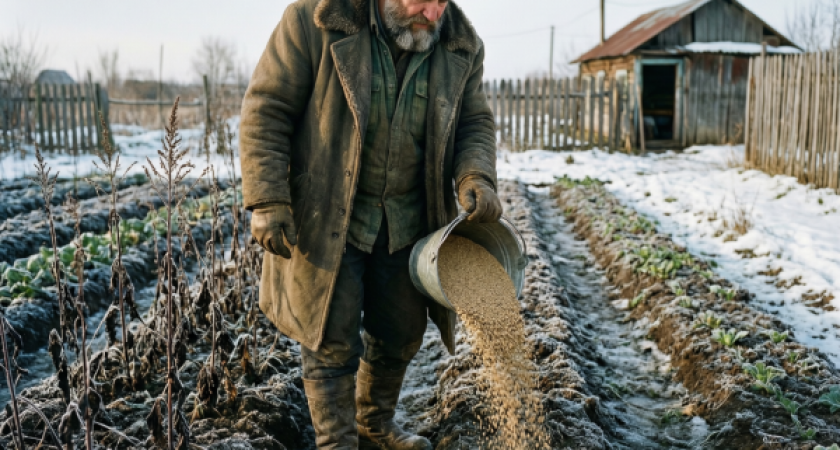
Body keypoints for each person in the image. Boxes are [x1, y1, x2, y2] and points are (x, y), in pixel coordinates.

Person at [240, 0, 500, 448]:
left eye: (442, 2)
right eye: (423, 1)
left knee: (401, 332)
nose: (433, 14)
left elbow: (473, 122)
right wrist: (267, 197)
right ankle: (336, 442)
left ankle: (374, 424)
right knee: (331, 338)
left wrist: (476, 174)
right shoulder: (315, 20)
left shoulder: (461, 44)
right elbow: (267, 108)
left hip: (407, 220)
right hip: (328, 215)